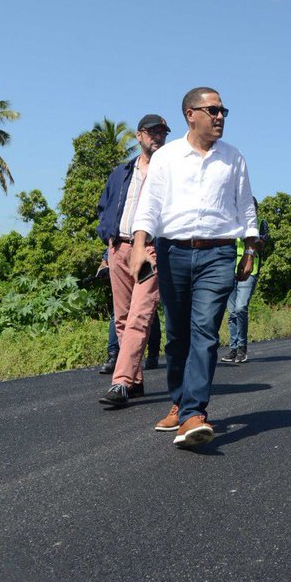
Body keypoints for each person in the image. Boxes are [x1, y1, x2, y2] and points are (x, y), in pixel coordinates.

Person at [129, 88, 258, 450]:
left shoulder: (234, 159)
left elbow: (246, 207)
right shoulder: (167, 157)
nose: (220, 117)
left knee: (205, 330)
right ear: (191, 114)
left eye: (223, 111)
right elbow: (149, 205)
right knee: (177, 335)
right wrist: (139, 247)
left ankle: (193, 414)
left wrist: (248, 249)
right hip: (173, 253)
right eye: (213, 110)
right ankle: (178, 400)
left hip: (218, 254)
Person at [96, 114, 171, 407]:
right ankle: (136, 381)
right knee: (123, 318)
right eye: (153, 132)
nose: (158, 137)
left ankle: (121, 382)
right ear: (139, 136)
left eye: (163, 132)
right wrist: (109, 242)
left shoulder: (169, 173)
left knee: (141, 315)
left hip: (151, 250)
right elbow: (105, 205)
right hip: (120, 248)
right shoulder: (121, 172)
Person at [222, 197, 270, 365]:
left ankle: (242, 348)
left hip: (250, 271)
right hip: (230, 270)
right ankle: (233, 348)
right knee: (232, 312)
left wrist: (251, 239)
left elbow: (262, 244)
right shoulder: (232, 224)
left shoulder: (259, 226)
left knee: (241, 308)